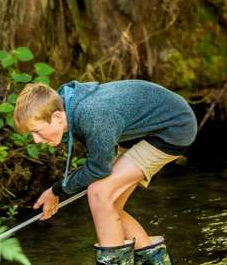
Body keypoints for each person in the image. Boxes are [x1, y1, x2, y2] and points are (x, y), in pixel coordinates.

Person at [14, 80, 198, 264]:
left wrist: (56, 190)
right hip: (141, 132)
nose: (36, 140)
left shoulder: (91, 114)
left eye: (37, 131)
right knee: (111, 205)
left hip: (174, 128)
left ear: (57, 117)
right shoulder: (68, 107)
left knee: (99, 193)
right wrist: (57, 190)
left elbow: (98, 169)